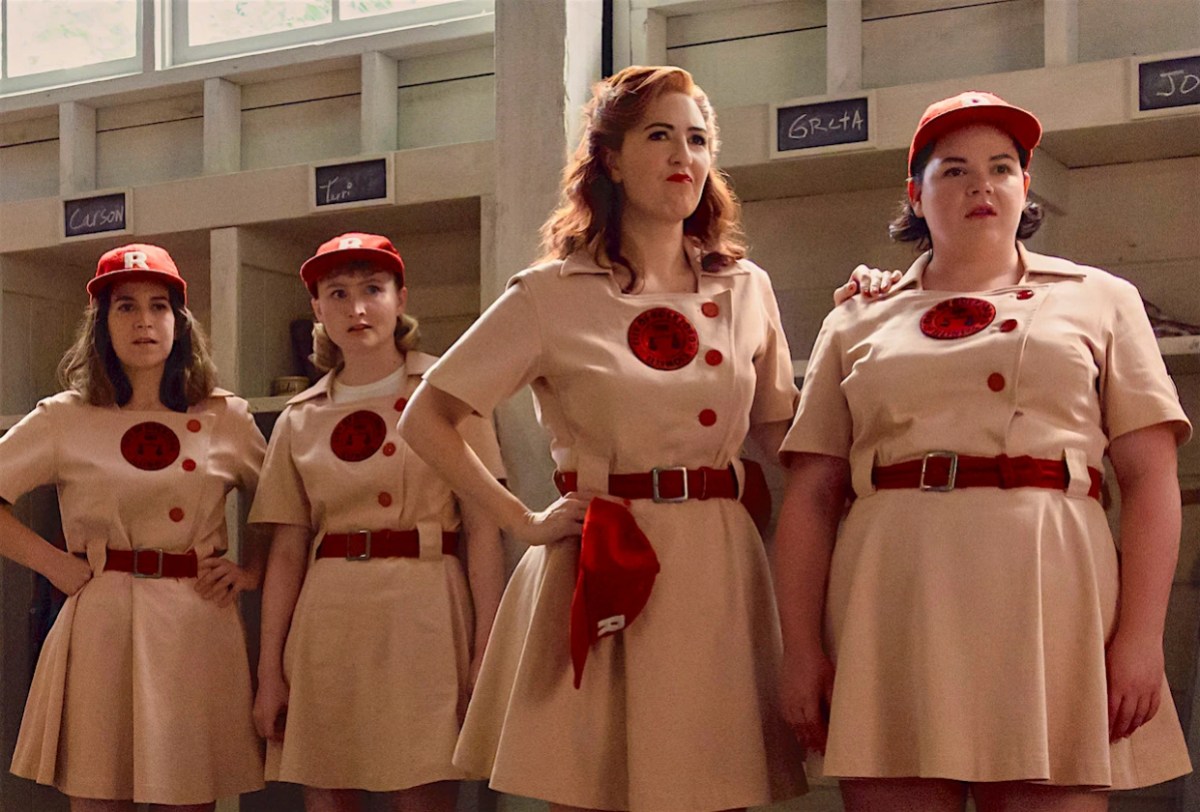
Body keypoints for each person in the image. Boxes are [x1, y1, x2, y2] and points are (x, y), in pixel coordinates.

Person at [398, 65, 808, 812]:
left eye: (698, 138)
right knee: (593, 788)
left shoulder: (747, 288)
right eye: (659, 135)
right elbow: (425, 417)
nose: (683, 154)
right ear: (610, 160)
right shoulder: (550, 294)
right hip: (604, 557)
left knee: (716, 787)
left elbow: (785, 437)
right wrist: (522, 520)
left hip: (718, 564)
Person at [775, 91, 1193, 812]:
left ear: (1026, 187)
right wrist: (799, 649)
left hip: (1051, 595)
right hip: (894, 597)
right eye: (955, 170)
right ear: (916, 193)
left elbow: (1151, 478)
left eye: (1002, 168)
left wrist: (1141, 637)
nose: (981, 185)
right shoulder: (856, 316)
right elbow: (811, 499)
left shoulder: (1101, 298)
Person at [0, 244, 266, 811]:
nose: (144, 321)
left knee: (188, 796)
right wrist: (55, 565)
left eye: (159, 306)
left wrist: (253, 568)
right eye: (125, 307)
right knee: (99, 794)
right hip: (103, 621)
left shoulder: (227, 417)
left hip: (196, 619)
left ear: (180, 322)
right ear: (102, 324)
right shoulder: (64, 417)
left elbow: (282, 507)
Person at [249, 233, 505, 812]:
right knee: (328, 791)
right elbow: (288, 550)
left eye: (372, 289)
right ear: (317, 309)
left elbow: (486, 531)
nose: (357, 308)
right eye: (337, 293)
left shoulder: (448, 393)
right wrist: (270, 672)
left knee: (423, 789)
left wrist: (486, 653)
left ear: (400, 297)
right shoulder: (299, 418)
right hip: (329, 614)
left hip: (426, 610)